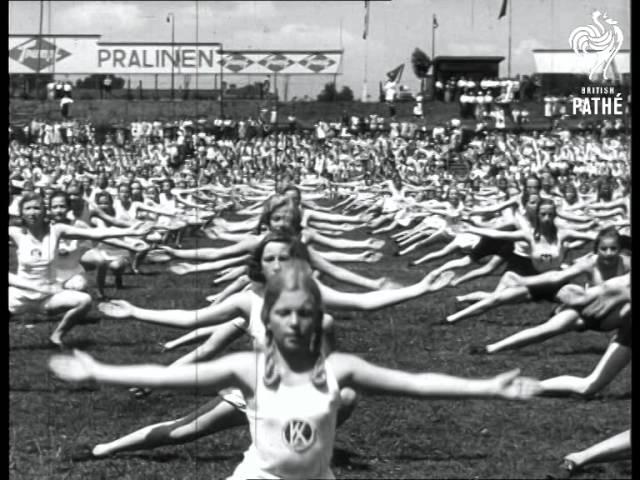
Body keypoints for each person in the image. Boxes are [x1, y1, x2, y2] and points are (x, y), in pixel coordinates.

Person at [50, 260, 541, 479]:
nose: (294, 321)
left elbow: (416, 385)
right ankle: (105, 448)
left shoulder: (340, 367)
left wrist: (489, 386)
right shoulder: (248, 364)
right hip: (257, 474)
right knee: (181, 434)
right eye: (284, 314)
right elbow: (167, 377)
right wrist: (101, 369)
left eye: (304, 314)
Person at [9, 192, 150, 345]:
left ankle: (56, 336)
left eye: (37, 208)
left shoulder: (56, 230)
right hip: (20, 296)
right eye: (28, 208)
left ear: (44, 211)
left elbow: (94, 233)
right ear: (21, 213)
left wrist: (130, 231)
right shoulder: (15, 233)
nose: (33, 212)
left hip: (48, 297)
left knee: (85, 300)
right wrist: (29, 286)